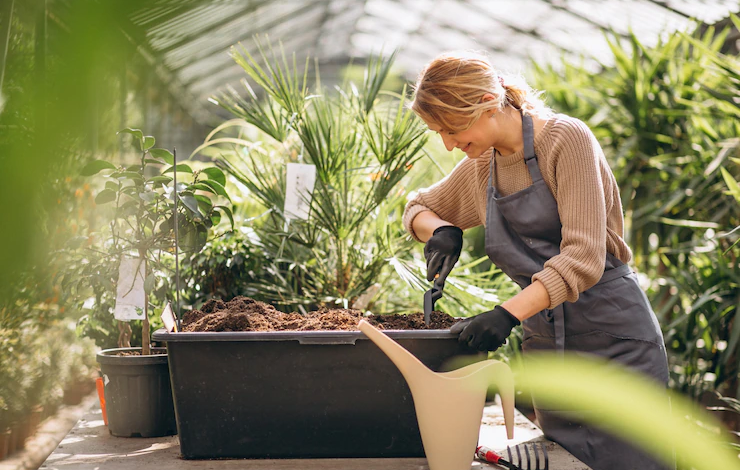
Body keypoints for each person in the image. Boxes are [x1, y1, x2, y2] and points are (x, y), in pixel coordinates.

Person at [403, 51, 672, 470]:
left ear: (487, 103)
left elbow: (584, 257)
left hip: (615, 341)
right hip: (549, 349)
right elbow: (416, 206)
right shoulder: (482, 167)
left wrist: (506, 315)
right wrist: (438, 229)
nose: (449, 144)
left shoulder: (566, 140)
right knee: (565, 462)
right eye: (440, 133)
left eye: (452, 128)